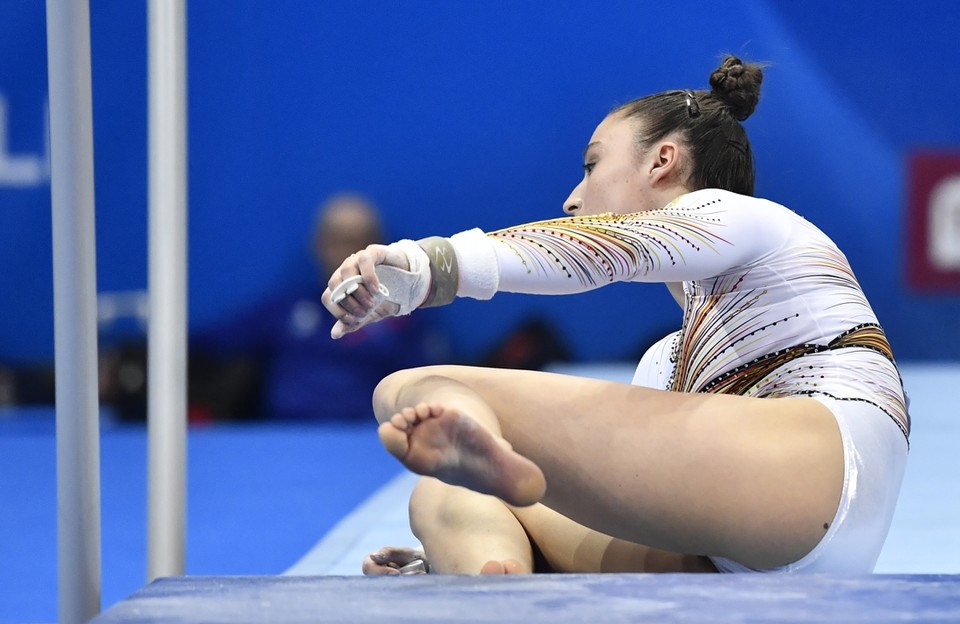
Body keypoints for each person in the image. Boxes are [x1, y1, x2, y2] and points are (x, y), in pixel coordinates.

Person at [321, 55, 909, 575]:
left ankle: (474, 429)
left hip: (820, 470)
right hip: (743, 559)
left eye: (591, 165)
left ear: (663, 161)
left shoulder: (745, 218)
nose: (572, 199)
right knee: (443, 497)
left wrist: (428, 267)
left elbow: (603, 252)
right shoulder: (669, 361)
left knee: (410, 388)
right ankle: (483, 585)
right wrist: (444, 558)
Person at [191, 193, 445, 421]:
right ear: (318, 244)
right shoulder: (288, 309)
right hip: (283, 438)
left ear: (376, 245)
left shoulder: (402, 319)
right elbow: (213, 341)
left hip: (368, 440)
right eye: (333, 240)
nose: (343, 253)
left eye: (353, 240)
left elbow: (428, 386)